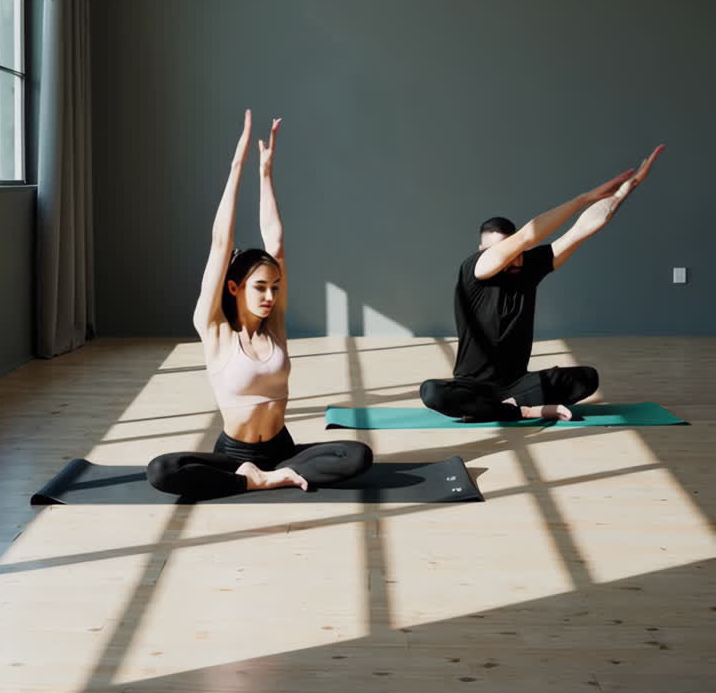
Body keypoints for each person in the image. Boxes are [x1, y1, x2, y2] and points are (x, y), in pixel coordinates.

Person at [147, 110, 372, 498]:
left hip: (281, 450)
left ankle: (268, 476)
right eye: (260, 288)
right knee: (163, 470)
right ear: (234, 287)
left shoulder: (275, 325)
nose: (271, 296)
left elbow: (277, 243)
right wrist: (238, 166)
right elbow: (221, 242)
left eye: (276, 287)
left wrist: (265, 175)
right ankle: (250, 477)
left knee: (357, 454)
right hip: (235, 453)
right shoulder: (214, 328)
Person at [420, 147, 665, 423]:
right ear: (481, 250)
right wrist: (582, 199)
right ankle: (521, 410)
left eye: (514, 250)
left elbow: (581, 231)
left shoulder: (530, 265)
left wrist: (624, 191)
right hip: (471, 385)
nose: (510, 257)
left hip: (517, 384)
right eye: (501, 250)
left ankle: (498, 407)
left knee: (587, 379)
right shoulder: (474, 270)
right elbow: (527, 236)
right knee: (432, 393)